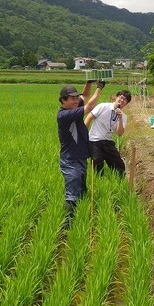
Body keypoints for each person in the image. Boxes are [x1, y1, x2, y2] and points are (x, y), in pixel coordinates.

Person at [57, 80, 104, 217]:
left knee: (82, 190)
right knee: (72, 195)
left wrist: (88, 83)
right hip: (71, 161)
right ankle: (68, 225)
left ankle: (81, 216)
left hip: (80, 158)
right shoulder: (64, 115)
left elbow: (85, 97)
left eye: (76, 98)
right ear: (63, 100)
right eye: (72, 99)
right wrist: (99, 88)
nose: (76, 101)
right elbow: (89, 106)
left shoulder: (73, 108)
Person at [84, 89, 131, 176]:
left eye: (125, 100)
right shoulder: (103, 106)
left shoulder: (123, 117)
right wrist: (83, 136)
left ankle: (119, 183)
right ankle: (99, 182)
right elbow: (88, 118)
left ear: (126, 104)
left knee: (119, 166)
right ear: (116, 98)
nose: (122, 100)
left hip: (108, 141)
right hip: (95, 140)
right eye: (121, 98)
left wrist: (120, 119)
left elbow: (119, 133)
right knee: (97, 162)